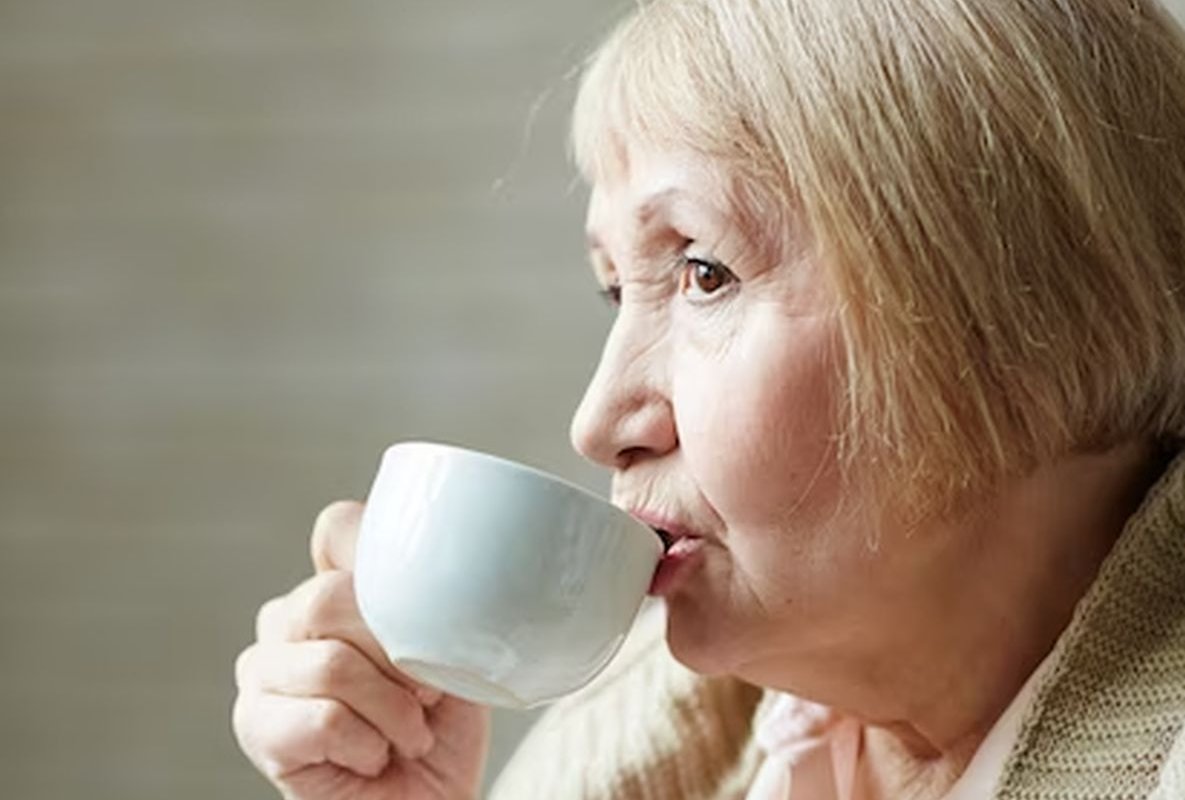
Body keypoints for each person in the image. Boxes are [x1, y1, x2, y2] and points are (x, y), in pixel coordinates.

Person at [231, 0, 1185, 797]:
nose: (599, 423)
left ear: (1017, 309)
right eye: (616, 290)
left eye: (703, 272)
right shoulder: (652, 744)